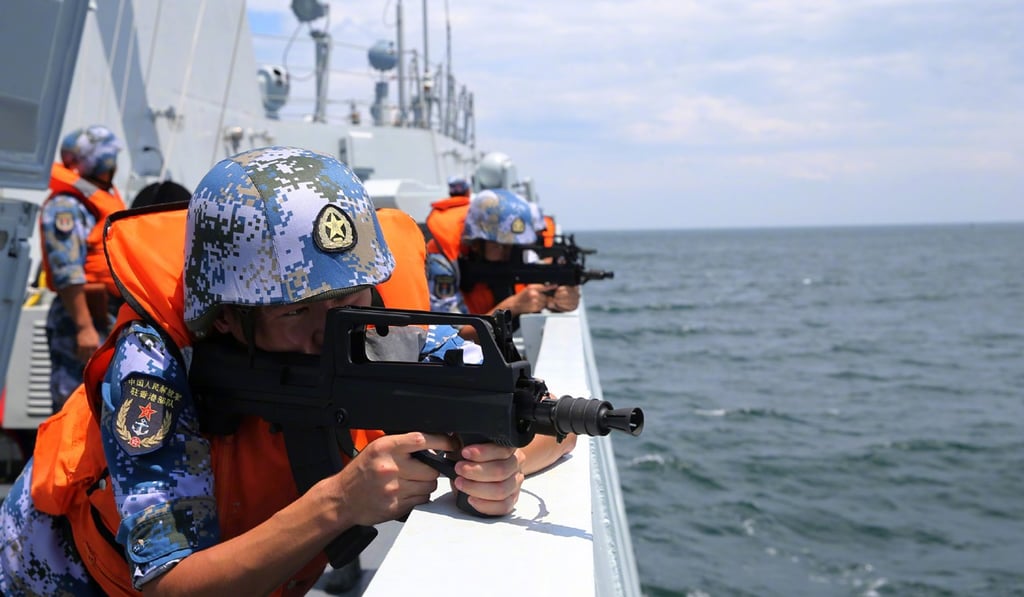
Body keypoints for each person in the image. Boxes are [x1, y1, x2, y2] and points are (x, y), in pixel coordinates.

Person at [0, 146, 573, 596]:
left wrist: (504, 465)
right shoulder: (153, 368)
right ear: (225, 318)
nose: (329, 331)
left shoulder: (374, 327)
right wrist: (341, 502)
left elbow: (553, 415)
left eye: (346, 299)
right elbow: (171, 585)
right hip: (64, 579)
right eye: (296, 309)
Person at [39, 124, 126, 412]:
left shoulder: (97, 200)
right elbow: (67, 270)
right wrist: (84, 327)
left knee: (102, 404)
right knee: (72, 403)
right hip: (80, 316)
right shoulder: (67, 206)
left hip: (105, 314)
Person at [425, 188, 580, 319]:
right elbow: (449, 336)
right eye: (499, 245)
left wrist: (558, 301)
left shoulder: (519, 254)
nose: (508, 254)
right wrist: (512, 307)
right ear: (477, 244)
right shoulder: (442, 263)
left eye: (513, 246)